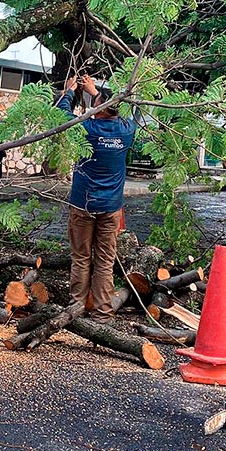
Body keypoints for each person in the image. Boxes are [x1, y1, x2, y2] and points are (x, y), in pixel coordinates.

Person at [57, 75, 137, 322]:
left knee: (81, 257)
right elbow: (129, 111)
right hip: (111, 207)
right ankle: (103, 312)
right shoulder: (126, 130)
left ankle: (77, 307)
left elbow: (62, 115)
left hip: (83, 204)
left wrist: (70, 91)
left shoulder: (87, 129)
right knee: (105, 260)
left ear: (99, 108)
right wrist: (96, 93)